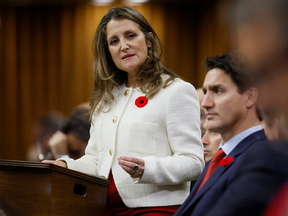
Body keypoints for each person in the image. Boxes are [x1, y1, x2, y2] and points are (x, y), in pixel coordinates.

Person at [43, 6, 204, 215]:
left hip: (156, 208)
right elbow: (96, 161)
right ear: (108, 52)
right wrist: (64, 167)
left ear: (149, 40)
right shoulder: (105, 100)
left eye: (130, 36)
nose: (124, 46)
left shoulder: (176, 91)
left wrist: (147, 168)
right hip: (103, 208)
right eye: (114, 41)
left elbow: (193, 162)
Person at [174, 51, 266, 216]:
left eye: (218, 91)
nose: (206, 103)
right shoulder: (218, 158)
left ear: (250, 97)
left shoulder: (263, 157)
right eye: (206, 91)